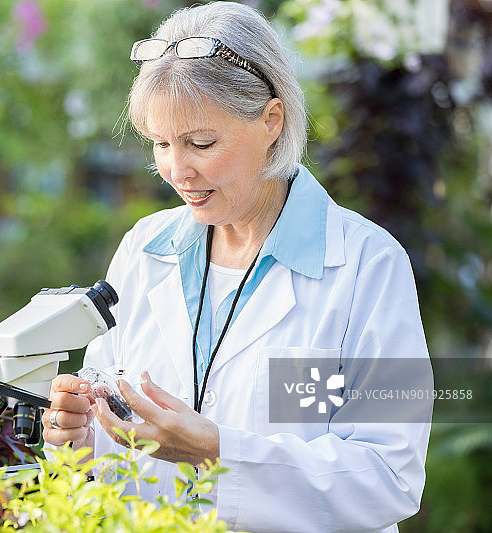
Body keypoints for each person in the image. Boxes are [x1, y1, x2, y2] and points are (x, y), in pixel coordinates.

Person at [42, 2, 432, 532]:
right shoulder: (144, 250)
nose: (176, 170)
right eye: (161, 143)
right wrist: (80, 439)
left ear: (271, 121)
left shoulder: (366, 266)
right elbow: (111, 441)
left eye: (201, 143)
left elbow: (388, 475)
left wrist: (218, 453)